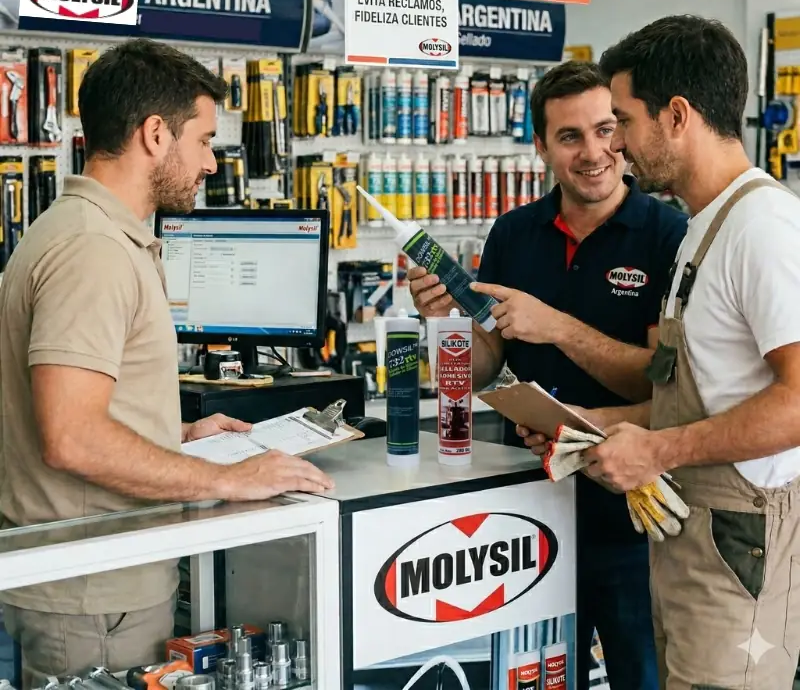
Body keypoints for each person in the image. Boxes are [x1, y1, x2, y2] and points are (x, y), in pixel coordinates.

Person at [0, 38, 334, 688]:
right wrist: (228, 480)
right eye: (204, 139)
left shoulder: (86, 233)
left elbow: (70, 413)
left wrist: (174, 435)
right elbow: (70, 437)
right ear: (155, 133)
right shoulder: (92, 252)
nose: (212, 162)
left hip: (100, 585)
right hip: (93, 600)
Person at [409, 60, 687, 690]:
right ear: (539, 146)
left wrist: (556, 325)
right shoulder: (513, 234)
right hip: (527, 516)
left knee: (642, 678)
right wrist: (445, 324)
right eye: (570, 137)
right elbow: (482, 369)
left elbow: (660, 385)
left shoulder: (667, 236)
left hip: (630, 522)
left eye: (604, 129)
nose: (593, 152)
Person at [542, 14, 800, 689]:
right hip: (688, 544)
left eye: (623, 121)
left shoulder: (763, 229)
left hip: (739, 548)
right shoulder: (699, 230)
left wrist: (655, 452)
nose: (617, 145)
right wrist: (595, 423)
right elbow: (699, 392)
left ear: (677, 115)